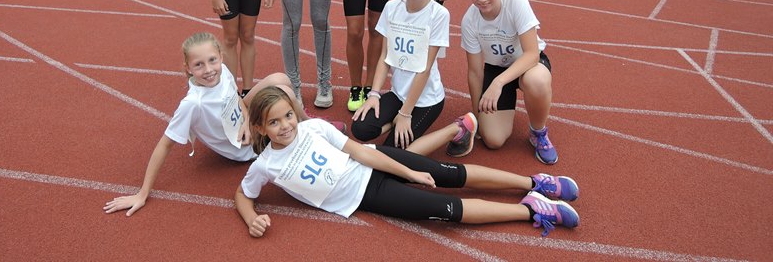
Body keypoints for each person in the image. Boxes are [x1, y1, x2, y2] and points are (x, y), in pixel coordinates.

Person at [235, 86, 580, 238]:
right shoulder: (265, 165)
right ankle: (531, 210)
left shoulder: (313, 128)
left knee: (450, 174)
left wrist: (410, 171)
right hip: (369, 196)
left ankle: (533, 183)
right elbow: (242, 194)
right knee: (447, 209)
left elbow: (362, 152)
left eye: (287, 116)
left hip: (378, 162)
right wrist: (252, 219)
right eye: (274, 122)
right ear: (260, 128)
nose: (285, 126)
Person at [102, 32, 306, 217]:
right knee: (286, 93)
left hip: (245, 123)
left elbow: (235, 98)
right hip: (245, 147)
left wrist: (246, 119)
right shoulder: (193, 104)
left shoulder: (223, 71)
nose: (208, 70)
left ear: (221, 58)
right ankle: (304, 129)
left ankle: (306, 122)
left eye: (212, 60)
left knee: (280, 79)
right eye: (199, 65)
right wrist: (142, 193)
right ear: (188, 68)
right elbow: (164, 145)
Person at [458, 0, 558, 164]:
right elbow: (475, 72)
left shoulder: (516, 2)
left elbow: (532, 54)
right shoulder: (469, 20)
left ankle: (538, 132)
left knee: (537, 81)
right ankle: (496, 114)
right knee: (493, 140)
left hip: (528, 65)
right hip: (496, 68)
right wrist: (477, 115)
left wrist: (498, 83)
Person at [351, 0, 449, 149]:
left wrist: (406, 113)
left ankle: (457, 128)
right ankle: (394, 121)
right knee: (360, 128)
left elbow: (425, 69)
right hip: (398, 94)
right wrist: (374, 95)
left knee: (391, 153)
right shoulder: (392, 8)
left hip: (425, 100)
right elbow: (384, 57)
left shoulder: (439, 14)